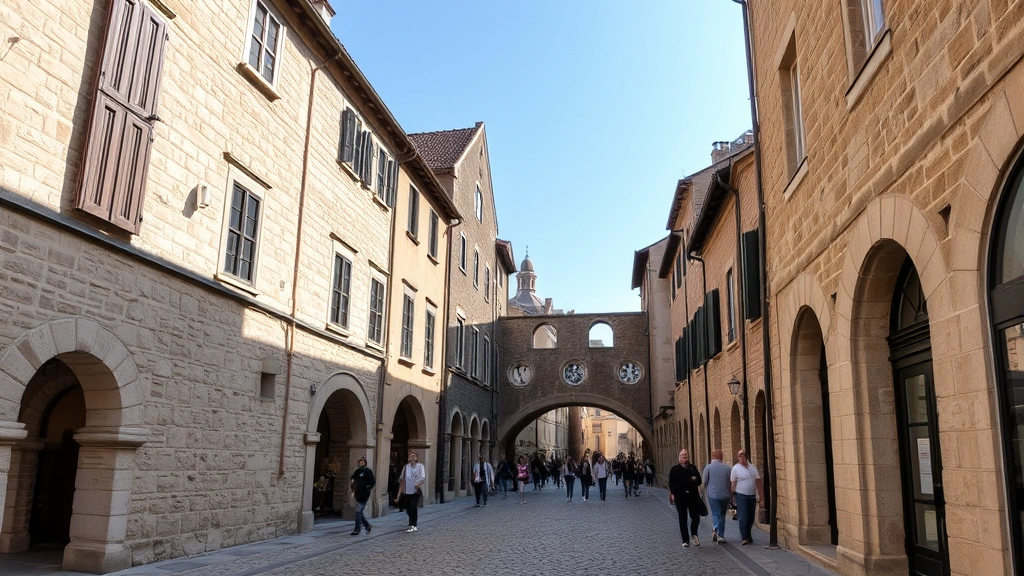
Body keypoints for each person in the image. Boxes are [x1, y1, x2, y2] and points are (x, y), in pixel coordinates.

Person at [668, 448, 703, 548]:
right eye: (683, 457)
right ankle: (685, 540)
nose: (685, 459)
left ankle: (694, 534)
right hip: (680, 498)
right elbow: (672, 483)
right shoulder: (674, 469)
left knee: (695, 518)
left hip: (693, 497)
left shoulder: (692, 468)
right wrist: (673, 494)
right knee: (682, 519)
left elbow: (699, 481)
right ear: (679, 458)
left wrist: (692, 481)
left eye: (686, 457)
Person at [731, 449, 764, 545]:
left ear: (746, 456)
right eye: (739, 455)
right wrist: (732, 496)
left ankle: (748, 535)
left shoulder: (753, 468)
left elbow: (758, 482)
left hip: (751, 495)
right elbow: (733, 483)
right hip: (741, 495)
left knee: (750, 517)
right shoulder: (735, 468)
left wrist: (762, 497)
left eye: (742, 455)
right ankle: (744, 537)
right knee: (743, 516)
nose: (740, 457)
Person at [702, 449, 733, 544]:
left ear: (712, 456)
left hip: (713, 495)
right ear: (721, 457)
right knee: (722, 514)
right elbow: (731, 482)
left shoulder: (708, 467)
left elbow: (704, 481)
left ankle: (715, 528)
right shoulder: (728, 468)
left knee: (715, 513)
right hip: (725, 495)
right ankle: (721, 535)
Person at [397, 451, 425, 532]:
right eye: (411, 456)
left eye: (414, 456)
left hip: (416, 491)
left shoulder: (420, 466)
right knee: (408, 507)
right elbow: (402, 480)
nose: (412, 458)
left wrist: (418, 484)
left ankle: (413, 524)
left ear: (416, 458)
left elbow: (422, 477)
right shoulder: (406, 467)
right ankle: (411, 521)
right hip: (407, 490)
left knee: (413, 506)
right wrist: (399, 494)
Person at [349, 456, 375, 536]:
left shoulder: (368, 471)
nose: (361, 463)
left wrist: (367, 488)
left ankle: (357, 529)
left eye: (362, 462)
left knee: (358, 511)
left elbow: (372, 482)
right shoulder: (357, 471)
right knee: (359, 512)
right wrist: (352, 485)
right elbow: (353, 479)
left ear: (365, 463)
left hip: (364, 495)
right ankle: (367, 525)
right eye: (360, 462)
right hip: (357, 494)